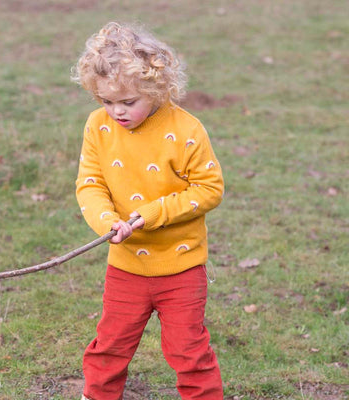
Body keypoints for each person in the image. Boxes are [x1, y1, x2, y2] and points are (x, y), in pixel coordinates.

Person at [72, 21, 224, 400]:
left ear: (157, 88)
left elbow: (209, 188)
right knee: (109, 347)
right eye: (106, 101)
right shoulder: (98, 127)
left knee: (190, 352)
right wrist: (107, 222)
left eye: (127, 102)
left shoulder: (187, 130)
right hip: (125, 267)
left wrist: (153, 213)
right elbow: (90, 184)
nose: (116, 112)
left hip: (182, 266)